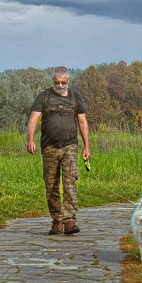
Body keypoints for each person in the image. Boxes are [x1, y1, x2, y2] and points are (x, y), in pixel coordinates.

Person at [27, 66, 91, 235]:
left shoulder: (75, 97)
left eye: (63, 82)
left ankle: (69, 220)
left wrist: (87, 146)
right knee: (51, 185)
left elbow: (83, 122)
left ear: (68, 81)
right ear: (53, 80)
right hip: (49, 147)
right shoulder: (44, 96)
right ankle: (56, 221)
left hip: (70, 146)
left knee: (70, 183)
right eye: (57, 82)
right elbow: (33, 119)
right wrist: (30, 139)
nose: (60, 85)